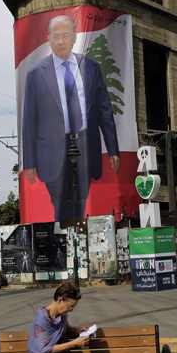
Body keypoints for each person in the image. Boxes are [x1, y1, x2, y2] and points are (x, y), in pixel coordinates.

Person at [21, 14, 121, 223]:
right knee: (60, 200)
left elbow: (104, 110)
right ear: (49, 38)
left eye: (65, 35)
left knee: (81, 198)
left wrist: (113, 149)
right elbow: (29, 121)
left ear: (74, 37)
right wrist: (28, 163)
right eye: (55, 36)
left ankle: (76, 242)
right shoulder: (36, 74)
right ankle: (64, 244)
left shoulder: (91, 67)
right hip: (52, 149)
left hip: (85, 142)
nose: (60, 41)